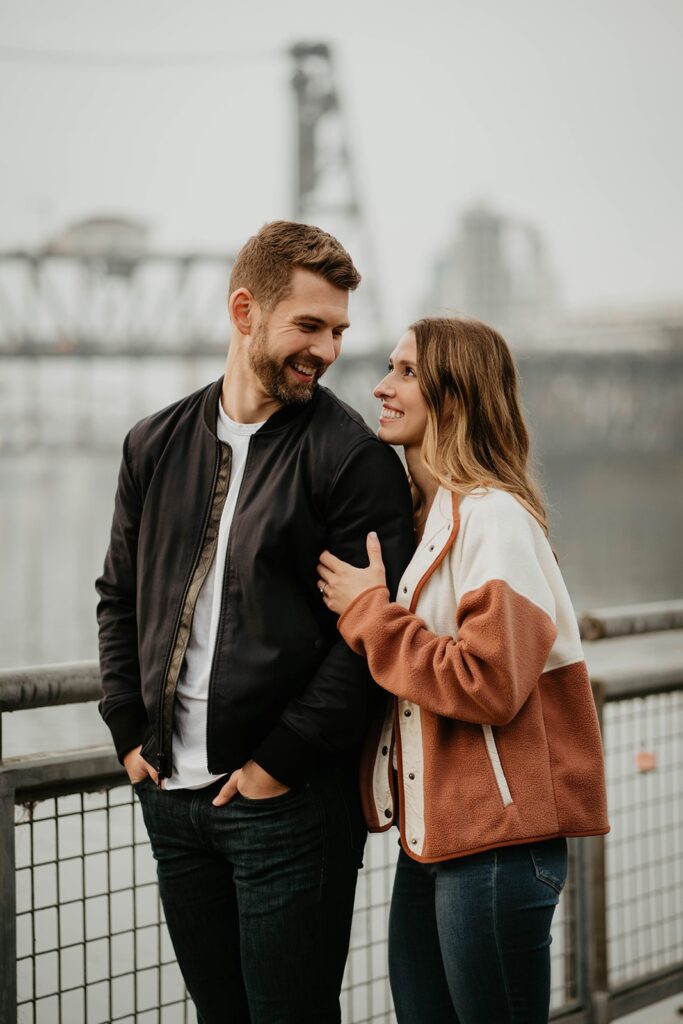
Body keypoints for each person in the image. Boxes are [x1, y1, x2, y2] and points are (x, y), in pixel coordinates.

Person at [96, 220, 415, 1024]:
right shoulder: (152, 444)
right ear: (245, 312)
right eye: (309, 325)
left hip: (291, 807)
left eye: (339, 329)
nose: (330, 349)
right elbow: (116, 597)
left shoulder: (354, 459)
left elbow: (365, 640)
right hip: (172, 800)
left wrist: (280, 761)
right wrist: (128, 733)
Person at [317, 316, 610, 1024]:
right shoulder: (434, 522)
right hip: (440, 841)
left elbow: (489, 682)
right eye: (389, 368)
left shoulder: (495, 520)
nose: (382, 387)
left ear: (455, 396)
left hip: (498, 851)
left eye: (406, 372)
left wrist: (369, 615)